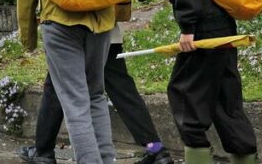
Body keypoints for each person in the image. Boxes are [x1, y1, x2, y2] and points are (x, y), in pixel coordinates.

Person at [143, 0, 258, 164]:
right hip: (221, 26)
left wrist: (188, 27)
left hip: (203, 30)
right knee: (225, 101)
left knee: (186, 95)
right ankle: (246, 157)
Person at [18, 0, 117, 164]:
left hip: (60, 18)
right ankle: (106, 159)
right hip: (102, 18)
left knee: (75, 101)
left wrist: (28, 34)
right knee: (95, 95)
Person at [19, 22, 173, 164]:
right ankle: (155, 147)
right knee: (117, 87)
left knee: (69, 92)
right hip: (104, 23)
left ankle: (43, 152)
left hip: (66, 25)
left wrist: (28, 36)